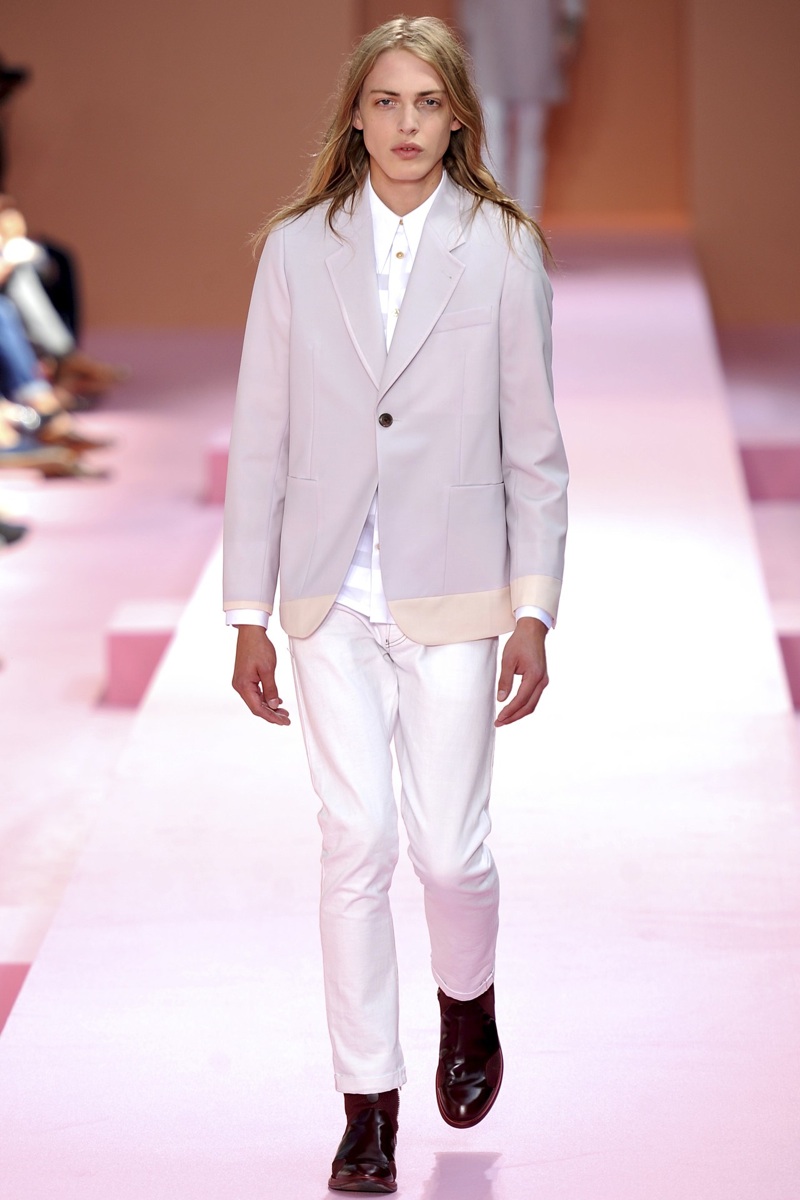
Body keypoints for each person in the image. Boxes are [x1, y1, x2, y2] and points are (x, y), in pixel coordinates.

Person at [223, 16, 568, 1194]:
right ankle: (365, 1106)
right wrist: (245, 612)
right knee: (355, 841)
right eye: (385, 101)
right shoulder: (294, 251)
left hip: (458, 587)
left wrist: (534, 608)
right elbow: (260, 437)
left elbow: (534, 447)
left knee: (449, 853)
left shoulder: (502, 248)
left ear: (456, 118)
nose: (406, 123)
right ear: (355, 117)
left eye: (427, 102)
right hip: (326, 592)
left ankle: (465, 1003)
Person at [458, 0, 585, 213]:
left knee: (529, 139)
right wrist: (466, 29)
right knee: (491, 138)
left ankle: (527, 218)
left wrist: (570, 27)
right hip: (489, 39)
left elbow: (573, 7)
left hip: (534, 38)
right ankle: (495, 215)